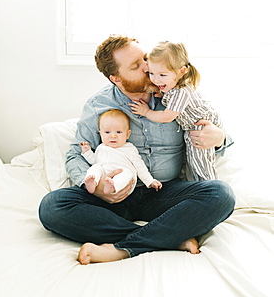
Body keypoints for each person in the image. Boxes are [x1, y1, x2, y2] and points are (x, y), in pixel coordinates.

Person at [38, 34, 235, 265]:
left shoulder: (174, 94)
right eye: (136, 66)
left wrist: (219, 137)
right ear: (117, 79)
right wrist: (98, 187)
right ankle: (169, 237)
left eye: (144, 59)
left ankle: (122, 248)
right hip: (114, 195)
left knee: (221, 195)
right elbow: (75, 154)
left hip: (163, 192)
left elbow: (216, 138)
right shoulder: (98, 105)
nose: (147, 67)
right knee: (52, 206)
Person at [129, 41, 222, 181]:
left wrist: (146, 112)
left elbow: (167, 116)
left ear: (181, 71)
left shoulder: (181, 92)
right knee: (190, 161)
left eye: (162, 75)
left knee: (200, 162)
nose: (155, 80)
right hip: (193, 125)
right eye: (151, 73)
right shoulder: (172, 88)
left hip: (200, 125)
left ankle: (208, 185)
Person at [80, 108, 162, 194]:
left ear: (127, 134)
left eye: (118, 132)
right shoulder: (101, 148)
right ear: (101, 134)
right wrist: (87, 152)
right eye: (107, 132)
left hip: (123, 176)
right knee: (95, 168)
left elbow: (140, 166)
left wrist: (150, 181)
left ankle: (112, 187)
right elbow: (94, 161)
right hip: (104, 174)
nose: (113, 136)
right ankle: (92, 183)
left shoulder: (129, 148)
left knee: (127, 173)